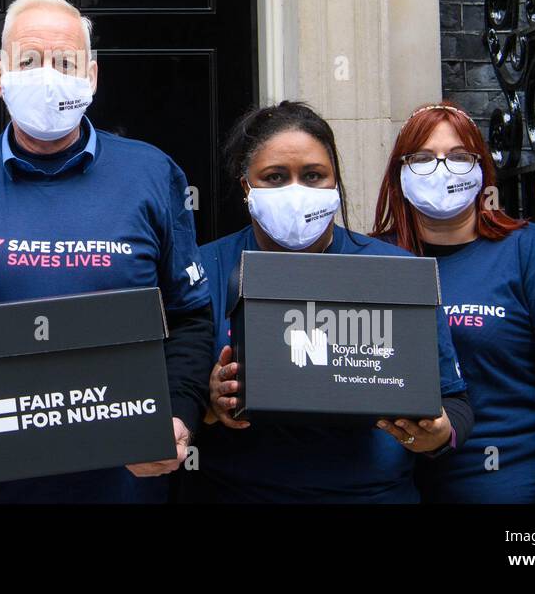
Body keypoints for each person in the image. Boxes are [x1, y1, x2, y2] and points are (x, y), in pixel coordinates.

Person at [0, 0, 216, 503]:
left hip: (126, 479)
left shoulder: (151, 172)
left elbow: (189, 317)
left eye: (65, 61)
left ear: (91, 76)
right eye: (28, 60)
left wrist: (180, 417)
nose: (47, 74)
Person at [180, 100, 473, 503]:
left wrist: (436, 435)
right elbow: (170, 398)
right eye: (275, 177)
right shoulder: (205, 270)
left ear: (335, 183)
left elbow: (453, 401)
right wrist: (210, 403)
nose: (296, 190)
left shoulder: (395, 271)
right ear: (246, 185)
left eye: (313, 175)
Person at [371, 101, 535, 503]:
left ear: (482, 170)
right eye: (423, 158)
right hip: (386, 486)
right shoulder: (370, 258)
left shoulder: (532, 252)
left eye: (459, 157)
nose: (442, 169)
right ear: (400, 172)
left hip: (501, 483)